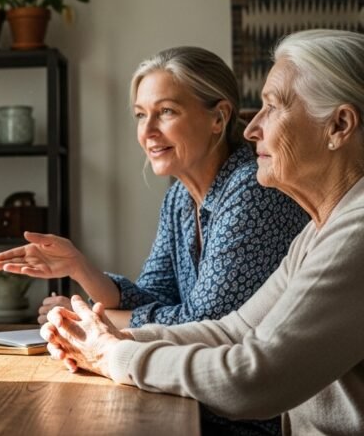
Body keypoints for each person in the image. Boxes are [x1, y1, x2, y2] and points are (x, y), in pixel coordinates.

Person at [42, 29, 364, 435]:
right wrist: (114, 336)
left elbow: (252, 378)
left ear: (339, 125)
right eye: (141, 115)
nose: (252, 129)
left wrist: (113, 353)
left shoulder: (356, 229)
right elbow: (234, 329)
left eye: (272, 107)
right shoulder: (326, 227)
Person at [0, 46, 308, 435]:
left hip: (249, 417)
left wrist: (94, 321)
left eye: (167, 112)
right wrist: (80, 267)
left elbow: (205, 322)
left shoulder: (251, 190)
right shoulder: (179, 195)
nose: (147, 131)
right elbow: (156, 295)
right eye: (141, 115)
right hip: (191, 398)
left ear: (219, 117)